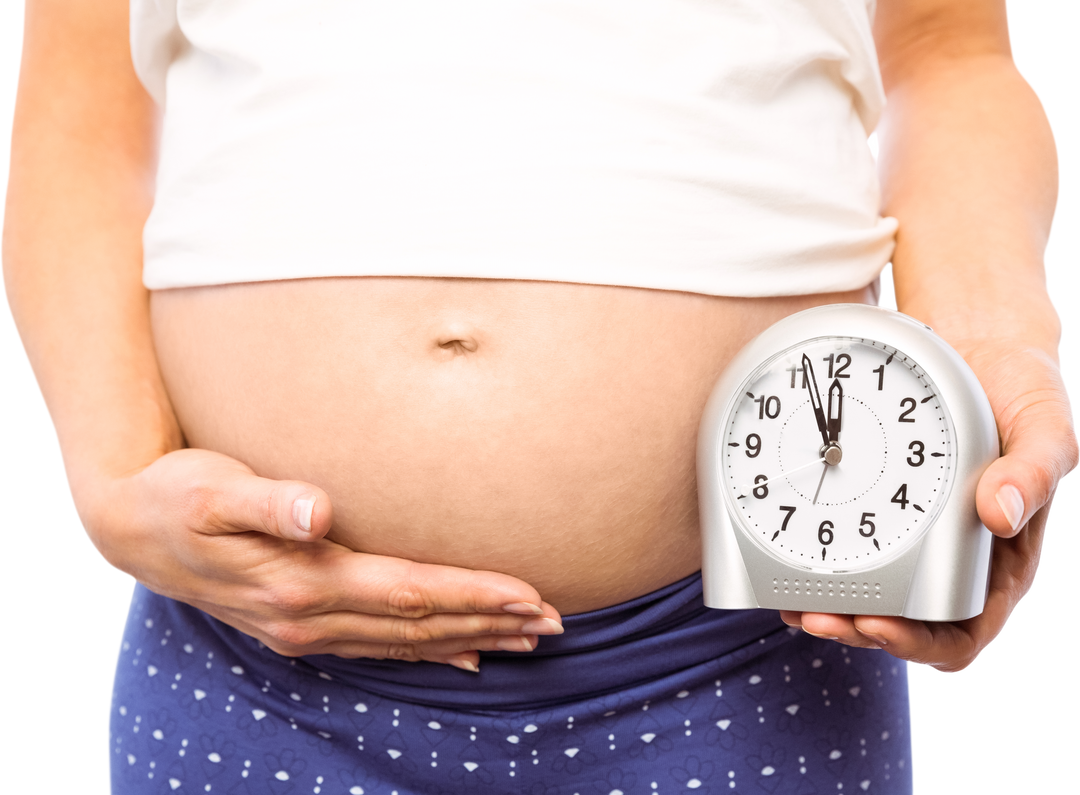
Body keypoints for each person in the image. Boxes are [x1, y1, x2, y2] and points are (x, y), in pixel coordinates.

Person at [3, 0, 1074, 793]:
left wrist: (994, 344)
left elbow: (946, 59)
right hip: (255, 668)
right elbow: (82, 116)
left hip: (740, 659)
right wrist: (110, 476)